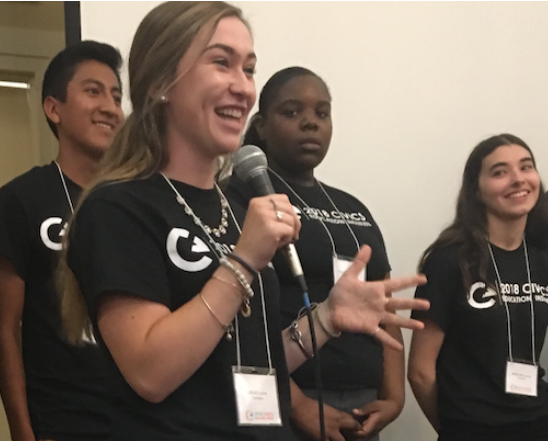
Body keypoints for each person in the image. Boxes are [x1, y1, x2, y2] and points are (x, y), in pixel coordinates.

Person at [57, 2, 429, 440]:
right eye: (221, 63)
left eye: (249, 69)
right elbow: (150, 373)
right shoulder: (118, 208)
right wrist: (243, 261)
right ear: (161, 82)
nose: (243, 88)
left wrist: (328, 318)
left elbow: (253, 361)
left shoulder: (233, 211)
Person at [226, 66, 404, 441]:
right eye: (292, 112)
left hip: (360, 406)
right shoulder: (241, 199)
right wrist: (296, 405)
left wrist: (394, 396)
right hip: (283, 399)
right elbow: (242, 322)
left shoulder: (353, 207)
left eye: (321, 113)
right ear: (260, 124)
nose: (310, 123)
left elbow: (382, 303)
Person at [0, 41, 124, 440]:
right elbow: (5, 327)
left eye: (116, 96)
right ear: (54, 108)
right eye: (93, 91)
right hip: (61, 421)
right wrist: (22, 431)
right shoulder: (20, 199)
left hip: (141, 418)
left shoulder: (136, 202)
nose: (110, 106)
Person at [408, 134, 548, 440]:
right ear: (477, 190)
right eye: (499, 172)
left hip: (537, 423)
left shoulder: (541, 257)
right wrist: (455, 429)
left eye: (526, 167)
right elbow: (420, 371)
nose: (517, 179)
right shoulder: (448, 261)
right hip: (472, 428)